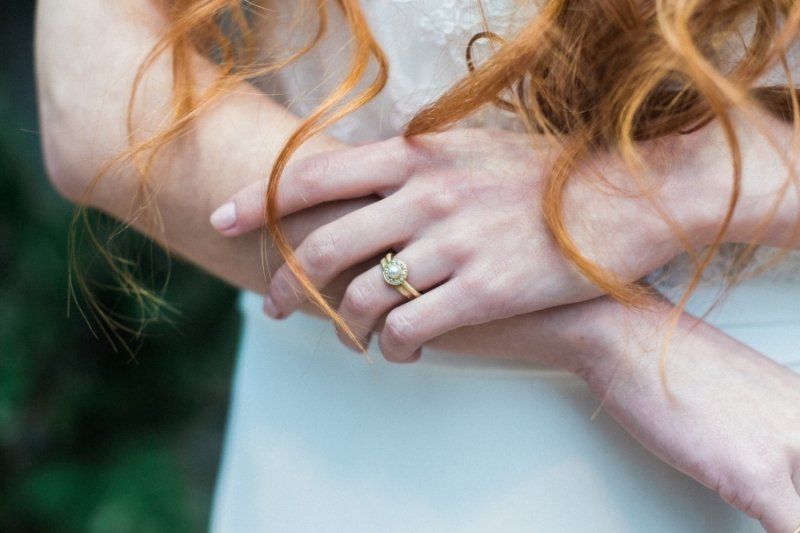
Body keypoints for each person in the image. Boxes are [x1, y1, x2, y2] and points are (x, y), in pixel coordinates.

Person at [35, 0, 800, 531]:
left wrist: (655, 185)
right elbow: (93, 99)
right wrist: (611, 329)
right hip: (348, 443)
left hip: (763, 428)